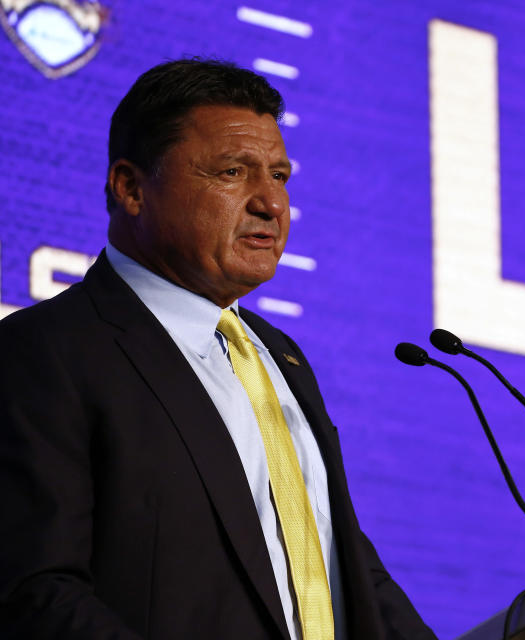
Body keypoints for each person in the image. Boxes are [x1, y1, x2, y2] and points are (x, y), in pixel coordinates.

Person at [0, 59, 437, 640]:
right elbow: (35, 593)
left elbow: (345, 567)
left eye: (279, 177)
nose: (270, 204)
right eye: (233, 172)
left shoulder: (279, 357)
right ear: (131, 187)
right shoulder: (44, 352)